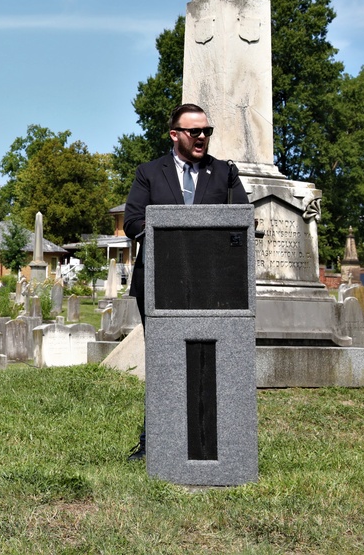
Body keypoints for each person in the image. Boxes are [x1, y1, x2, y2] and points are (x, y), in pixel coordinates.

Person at [122, 103, 249, 462]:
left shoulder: (224, 173)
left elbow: (241, 220)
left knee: (208, 362)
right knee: (165, 363)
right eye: (195, 131)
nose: (202, 138)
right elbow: (133, 222)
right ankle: (154, 444)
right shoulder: (149, 173)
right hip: (160, 282)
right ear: (175, 134)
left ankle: (210, 441)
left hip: (212, 286)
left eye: (207, 131)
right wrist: (172, 231)